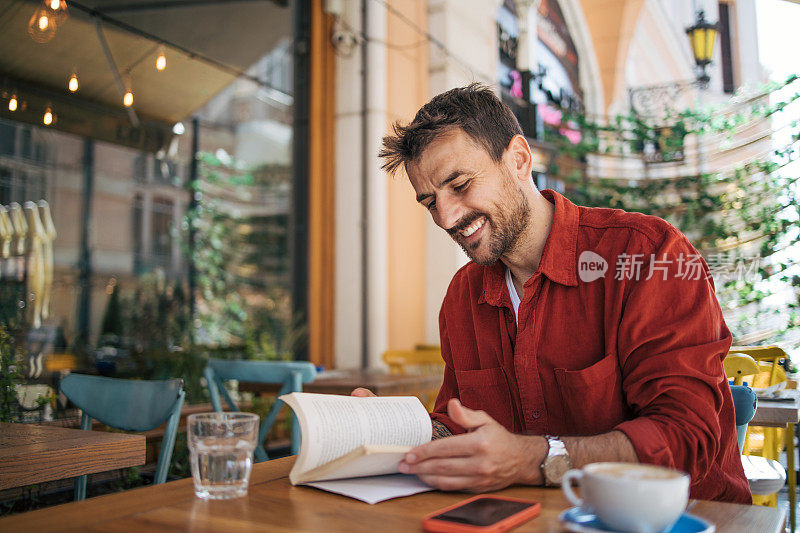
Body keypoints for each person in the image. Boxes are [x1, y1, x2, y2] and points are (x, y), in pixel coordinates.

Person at [354, 83, 750, 503]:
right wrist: (397, 429)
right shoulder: (462, 296)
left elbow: (687, 438)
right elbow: (463, 424)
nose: (447, 216)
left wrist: (534, 459)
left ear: (519, 160)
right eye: (430, 201)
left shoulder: (649, 254)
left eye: (461, 184)